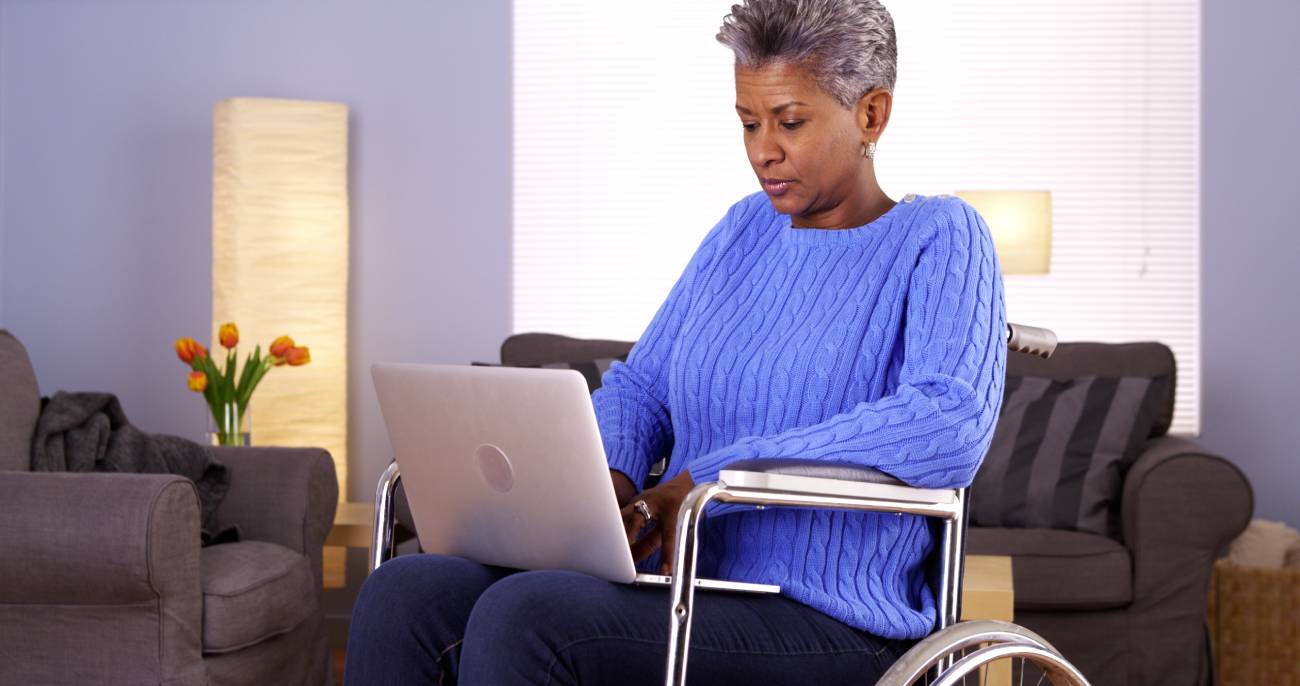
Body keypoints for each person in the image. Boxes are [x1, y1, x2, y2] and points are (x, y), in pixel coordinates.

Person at [345, 0, 1006, 683]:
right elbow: (642, 385)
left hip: (832, 619)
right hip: (687, 583)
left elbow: (948, 421)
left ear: (871, 114)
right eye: (748, 122)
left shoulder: (941, 236)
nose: (762, 150)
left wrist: (710, 477)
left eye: (790, 122)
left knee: (527, 616)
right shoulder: (744, 230)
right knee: (406, 595)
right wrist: (608, 484)